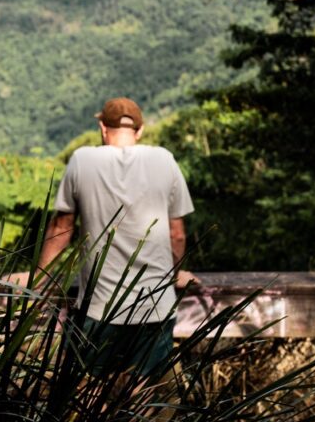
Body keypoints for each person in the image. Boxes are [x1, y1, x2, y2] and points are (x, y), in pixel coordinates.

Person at [37, 97, 198, 376]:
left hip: (100, 308)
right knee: (143, 401)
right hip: (155, 307)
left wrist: (38, 277)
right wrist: (175, 272)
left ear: (102, 127)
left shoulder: (82, 160)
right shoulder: (164, 159)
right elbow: (177, 234)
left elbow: (61, 228)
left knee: (91, 400)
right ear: (140, 130)